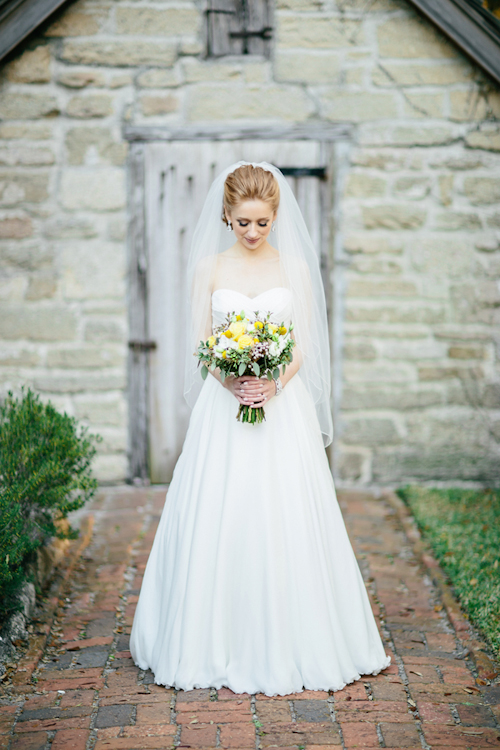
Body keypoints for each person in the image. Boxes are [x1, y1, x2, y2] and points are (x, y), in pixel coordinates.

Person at [130, 161, 390, 697]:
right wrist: (233, 380)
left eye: (263, 223)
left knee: (281, 510)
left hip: (281, 408)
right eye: (244, 222)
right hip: (224, 409)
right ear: (226, 216)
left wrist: (271, 385)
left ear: (275, 218)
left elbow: (304, 346)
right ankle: (209, 636)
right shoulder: (208, 267)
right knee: (221, 511)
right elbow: (203, 344)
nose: (253, 233)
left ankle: (297, 638)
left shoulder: (293, 265)